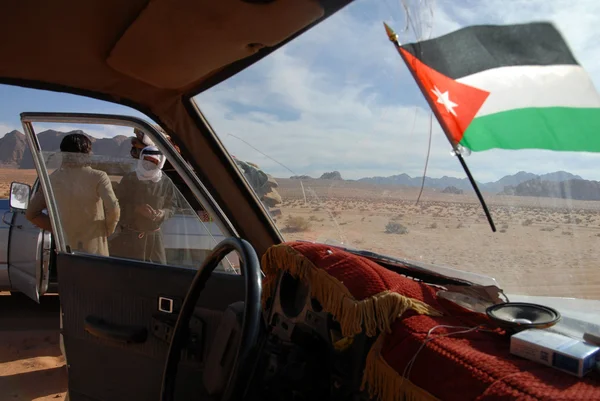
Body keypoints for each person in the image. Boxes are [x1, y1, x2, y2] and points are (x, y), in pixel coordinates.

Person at [26, 133, 121, 255]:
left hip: (65, 250)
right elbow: (113, 208)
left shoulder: (52, 179)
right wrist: (106, 230)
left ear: (63, 154)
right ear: (87, 153)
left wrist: (59, 229)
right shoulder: (98, 176)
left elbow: (31, 214)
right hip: (95, 250)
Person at [109, 145, 175, 264]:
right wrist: (136, 209)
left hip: (154, 239)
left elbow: (172, 207)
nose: (149, 164)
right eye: (146, 160)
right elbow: (117, 204)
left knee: (158, 274)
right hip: (130, 237)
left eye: (153, 161)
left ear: (160, 163)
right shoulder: (129, 179)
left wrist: (162, 213)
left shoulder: (166, 182)